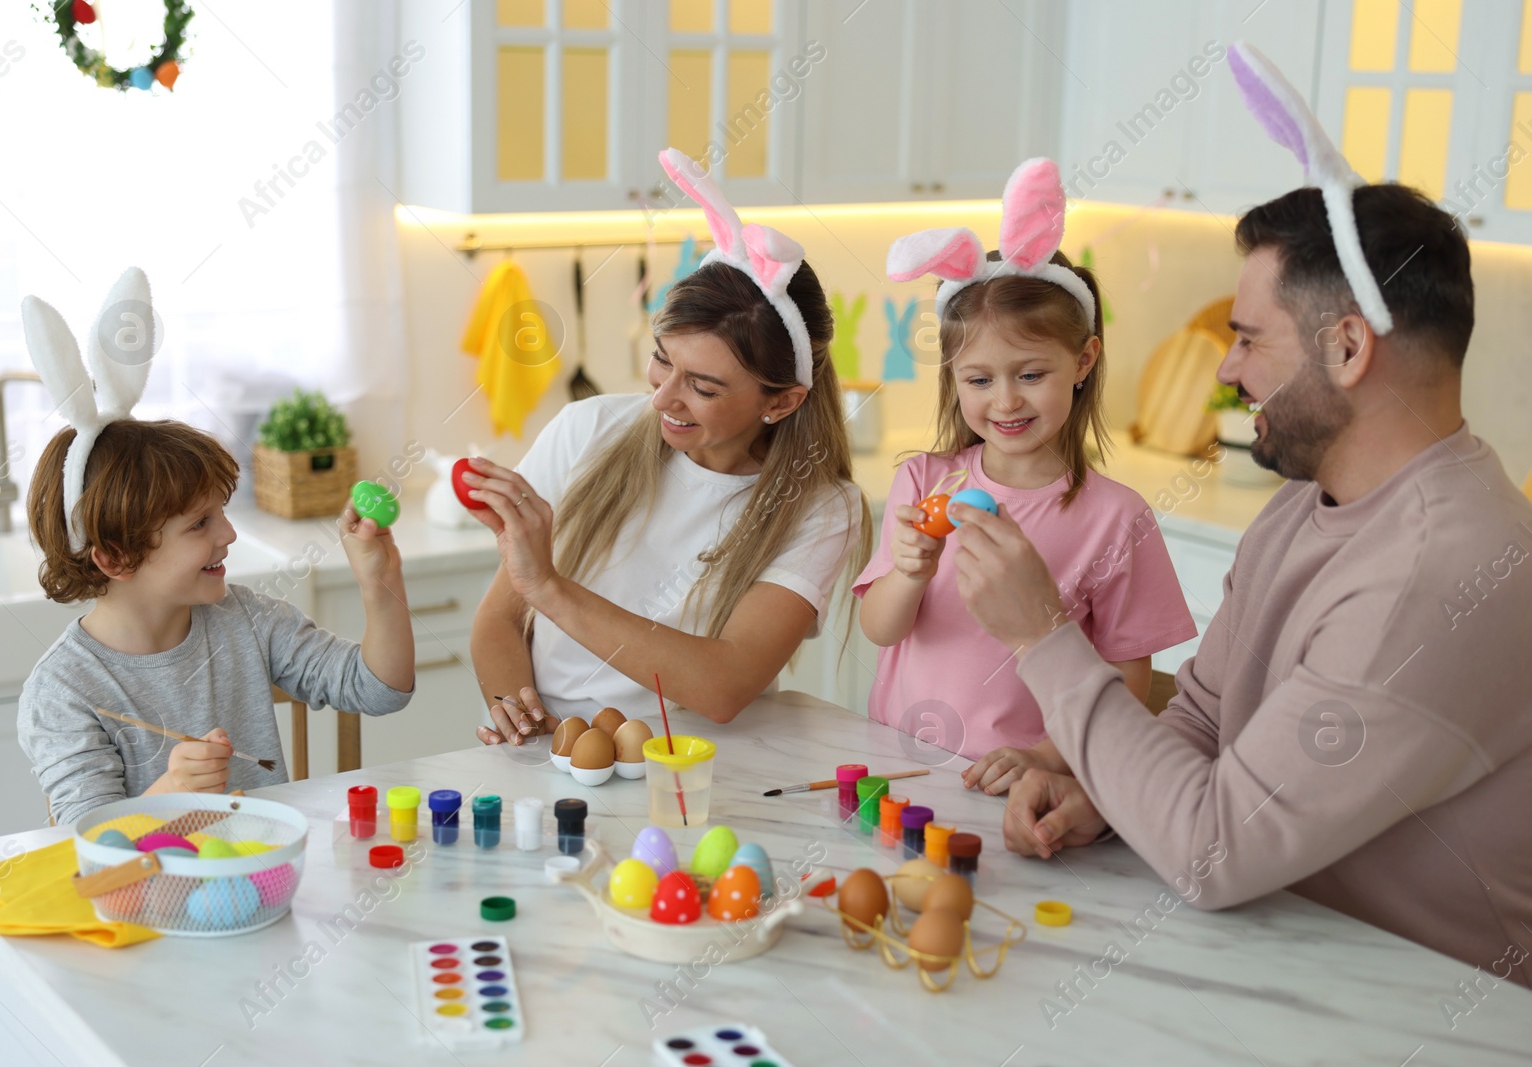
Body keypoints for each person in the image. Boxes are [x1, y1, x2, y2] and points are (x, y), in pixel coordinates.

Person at [966, 46, 1532, 986]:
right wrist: (1104, 785)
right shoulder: (1306, 505)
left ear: (1347, 347)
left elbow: (1212, 850)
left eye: (1247, 337)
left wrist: (1044, 638)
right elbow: (1204, 715)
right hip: (1284, 960)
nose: (1226, 370)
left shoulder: (1441, 570)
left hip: (1418, 1010)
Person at [471, 149, 871, 743]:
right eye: (662, 360)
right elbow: (499, 622)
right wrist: (527, 727)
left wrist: (549, 587)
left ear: (782, 401)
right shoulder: (587, 430)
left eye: (703, 387)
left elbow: (724, 685)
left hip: (692, 769)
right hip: (553, 750)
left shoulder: (818, 507)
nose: (662, 399)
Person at [15, 267, 413, 826]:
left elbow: (381, 690)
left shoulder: (248, 620)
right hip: (145, 904)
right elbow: (85, 841)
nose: (227, 534)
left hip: (265, 882)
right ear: (115, 557)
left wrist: (380, 580)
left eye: (221, 514)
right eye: (199, 523)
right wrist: (169, 792)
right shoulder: (65, 689)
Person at [855, 158, 1195, 793]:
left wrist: (1044, 759)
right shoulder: (926, 480)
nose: (1006, 401)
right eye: (979, 380)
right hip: (895, 764)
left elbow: (1128, 680)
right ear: (952, 380)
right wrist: (908, 571)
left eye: (1031, 374)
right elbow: (880, 630)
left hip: (1015, 785)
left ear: (1083, 360)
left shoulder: (1116, 518)